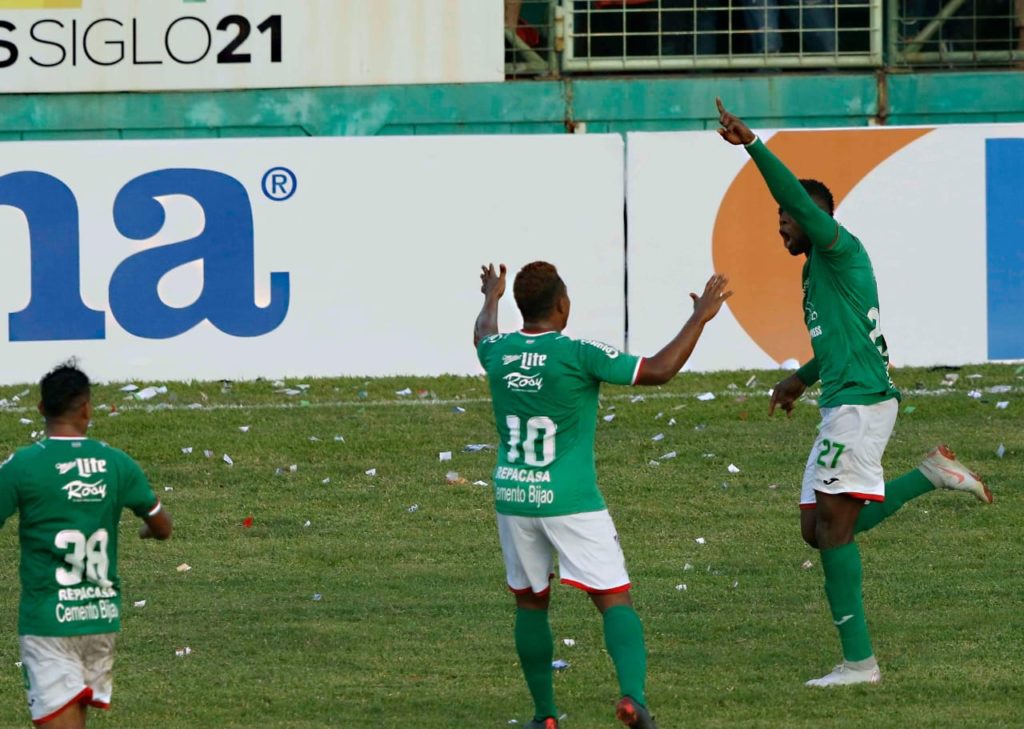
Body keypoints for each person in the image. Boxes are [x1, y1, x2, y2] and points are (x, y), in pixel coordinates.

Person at [714, 98, 993, 688]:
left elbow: (795, 201)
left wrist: (753, 145)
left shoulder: (838, 248)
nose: (781, 226)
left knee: (835, 534)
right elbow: (842, 343)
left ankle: (859, 664)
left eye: (788, 219)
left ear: (813, 218)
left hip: (861, 409)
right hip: (846, 401)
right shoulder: (818, 269)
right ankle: (929, 475)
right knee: (815, 527)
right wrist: (800, 379)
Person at [474, 261, 732, 728]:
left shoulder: (498, 351)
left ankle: (544, 717)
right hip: (570, 501)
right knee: (614, 598)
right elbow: (658, 370)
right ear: (561, 305)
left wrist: (490, 297)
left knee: (531, 602)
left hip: (513, 497)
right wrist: (700, 318)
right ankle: (633, 699)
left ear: (520, 306)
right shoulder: (577, 352)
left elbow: (482, 333)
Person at [0, 362, 173, 728]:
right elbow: (162, 525)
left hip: (50, 623)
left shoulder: (23, 466)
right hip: (100, 619)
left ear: (41, 409)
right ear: (87, 409)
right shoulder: (115, 463)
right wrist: (145, 532)